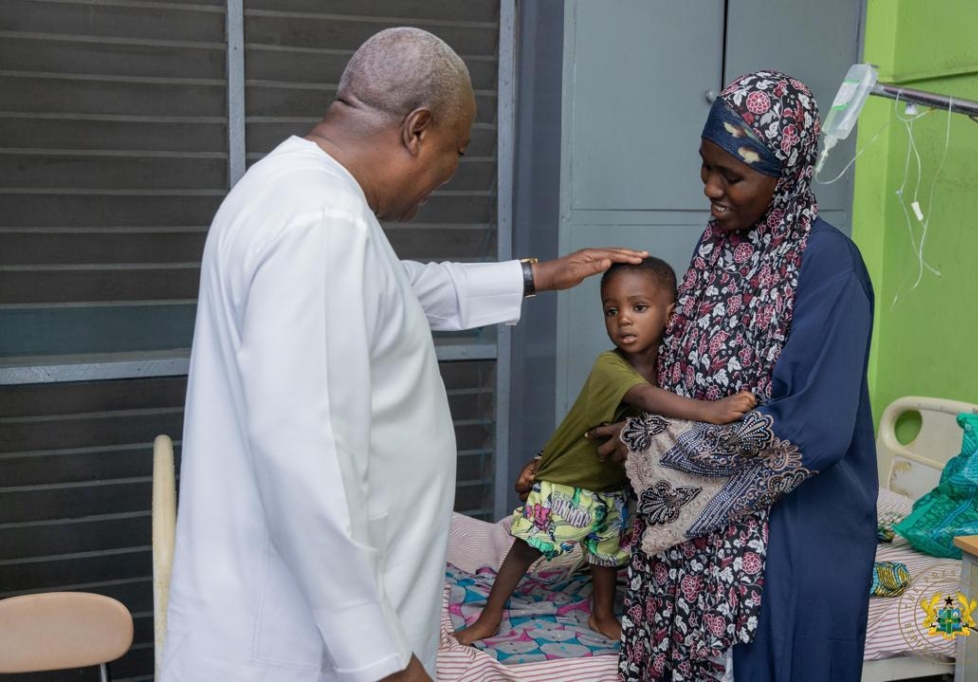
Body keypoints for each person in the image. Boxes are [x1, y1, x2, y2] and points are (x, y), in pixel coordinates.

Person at [161, 27, 647, 682]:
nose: (448, 175)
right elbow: (306, 463)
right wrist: (386, 663)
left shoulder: (291, 189)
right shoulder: (323, 225)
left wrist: (538, 275)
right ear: (417, 129)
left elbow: (396, 289)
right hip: (297, 650)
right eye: (455, 152)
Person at [589, 71, 877, 681]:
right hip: (691, 541)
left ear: (787, 173)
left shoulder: (830, 268)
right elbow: (685, 371)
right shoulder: (719, 246)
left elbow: (814, 430)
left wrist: (657, 448)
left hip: (786, 539)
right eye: (705, 167)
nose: (711, 190)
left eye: (733, 176)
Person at [454, 258, 755, 646]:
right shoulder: (610, 366)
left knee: (606, 554)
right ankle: (490, 617)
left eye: (638, 307)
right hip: (573, 481)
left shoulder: (673, 365)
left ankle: (601, 615)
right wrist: (710, 411)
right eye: (612, 311)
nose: (624, 320)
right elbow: (645, 399)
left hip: (614, 485)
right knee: (527, 546)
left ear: (671, 313)